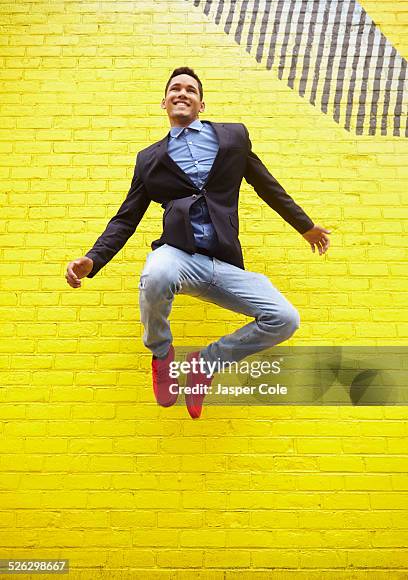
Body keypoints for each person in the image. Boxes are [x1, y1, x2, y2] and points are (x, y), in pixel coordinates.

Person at [66, 66, 330, 419]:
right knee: (156, 273)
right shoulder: (149, 159)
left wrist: (305, 226)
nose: (182, 93)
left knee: (284, 318)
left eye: (190, 89)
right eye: (175, 88)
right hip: (180, 256)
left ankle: (204, 364)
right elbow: (126, 217)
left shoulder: (233, 137)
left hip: (223, 263)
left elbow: (266, 184)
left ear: (201, 104)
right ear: (164, 102)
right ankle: (162, 356)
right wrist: (92, 260)